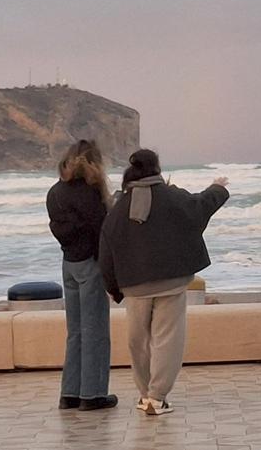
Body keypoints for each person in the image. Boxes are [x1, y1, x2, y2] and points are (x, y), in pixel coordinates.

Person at [99, 148, 229, 416]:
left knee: (138, 342)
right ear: (157, 169)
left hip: (134, 286)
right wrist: (218, 188)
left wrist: (112, 287)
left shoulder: (119, 207)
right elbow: (200, 206)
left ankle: (145, 394)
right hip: (171, 282)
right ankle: (157, 398)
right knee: (167, 339)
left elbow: (106, 249)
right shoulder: (173, 196)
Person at [46, 139, 117, 411]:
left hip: (68, 263)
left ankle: (70, 392)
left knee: (75, 332)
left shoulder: (55, 192)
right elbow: (103, 232)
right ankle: (92, 394)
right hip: (90, 263)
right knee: (95, 330)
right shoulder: (90, 193)